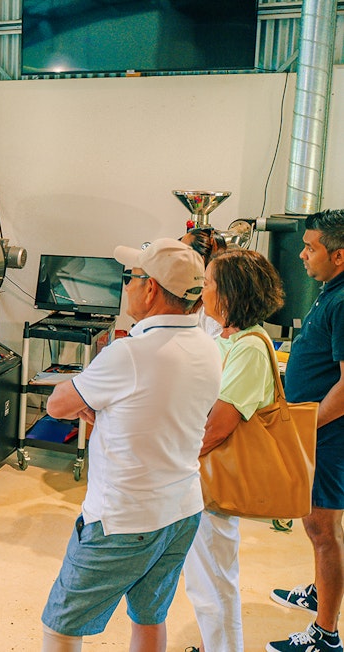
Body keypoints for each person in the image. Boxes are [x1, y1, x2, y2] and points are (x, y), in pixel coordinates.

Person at [40, 238, 221, 652]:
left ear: (152, 288)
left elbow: (57, 404)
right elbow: (153, 408)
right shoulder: (208, 348)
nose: (127, 286)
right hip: (180, 512)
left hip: (123, 520)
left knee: (62, 624)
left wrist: (93, 403)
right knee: (149, 618)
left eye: (132, 277)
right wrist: (105, 407)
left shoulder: (131, 354)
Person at [181, 250, 284, 652]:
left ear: (230, 293)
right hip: (199, 474)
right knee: (202, 577)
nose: (202, 291)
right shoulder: (224, 335)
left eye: (208, 283)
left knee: (215, 580)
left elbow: (218, 427)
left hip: (214, 474)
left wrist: (175, 456)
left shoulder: (251, 348)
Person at [269, 209, 344, 652]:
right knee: (316, 527)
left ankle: (326, 634)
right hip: (317, 433)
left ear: (338, 255)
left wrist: (304, 426)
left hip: (329, 436)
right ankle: (321, 593)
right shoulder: (329, 291)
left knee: (323, 530)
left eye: (310, 247)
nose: (301, 254)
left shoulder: (342, 300)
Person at [181, 226, 228, 337]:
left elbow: (218, 350)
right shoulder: (191, 295)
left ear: (199, 260)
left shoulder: (214, 306)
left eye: (182, 252)